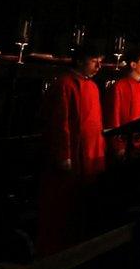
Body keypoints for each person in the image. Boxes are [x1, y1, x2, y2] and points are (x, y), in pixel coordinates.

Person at [37, 44, 107, 255]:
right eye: (94, 60)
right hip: (74, 154)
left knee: (84, 205)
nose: (98, 66)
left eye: (100, 61)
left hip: (91, 152)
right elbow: (60, 123)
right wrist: (64, 155)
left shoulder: (92, 86)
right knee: (64, 206)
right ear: (80, 61)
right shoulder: (65, 84)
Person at [104, 49, 140, 157]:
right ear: (133, 64)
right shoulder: (119, 87)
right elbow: (114, 117)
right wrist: (119, 146)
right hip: (127, 144)